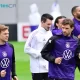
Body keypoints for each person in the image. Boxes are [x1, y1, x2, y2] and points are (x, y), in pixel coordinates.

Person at [24, 13, 53, 80]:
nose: (50, 26)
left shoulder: (50, 33)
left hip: (48, 67)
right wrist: (41, 53)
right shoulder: (34, 34)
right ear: (42, 22)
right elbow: (26, 48)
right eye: (48, 24)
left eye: (50, 24)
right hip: (37, 68)